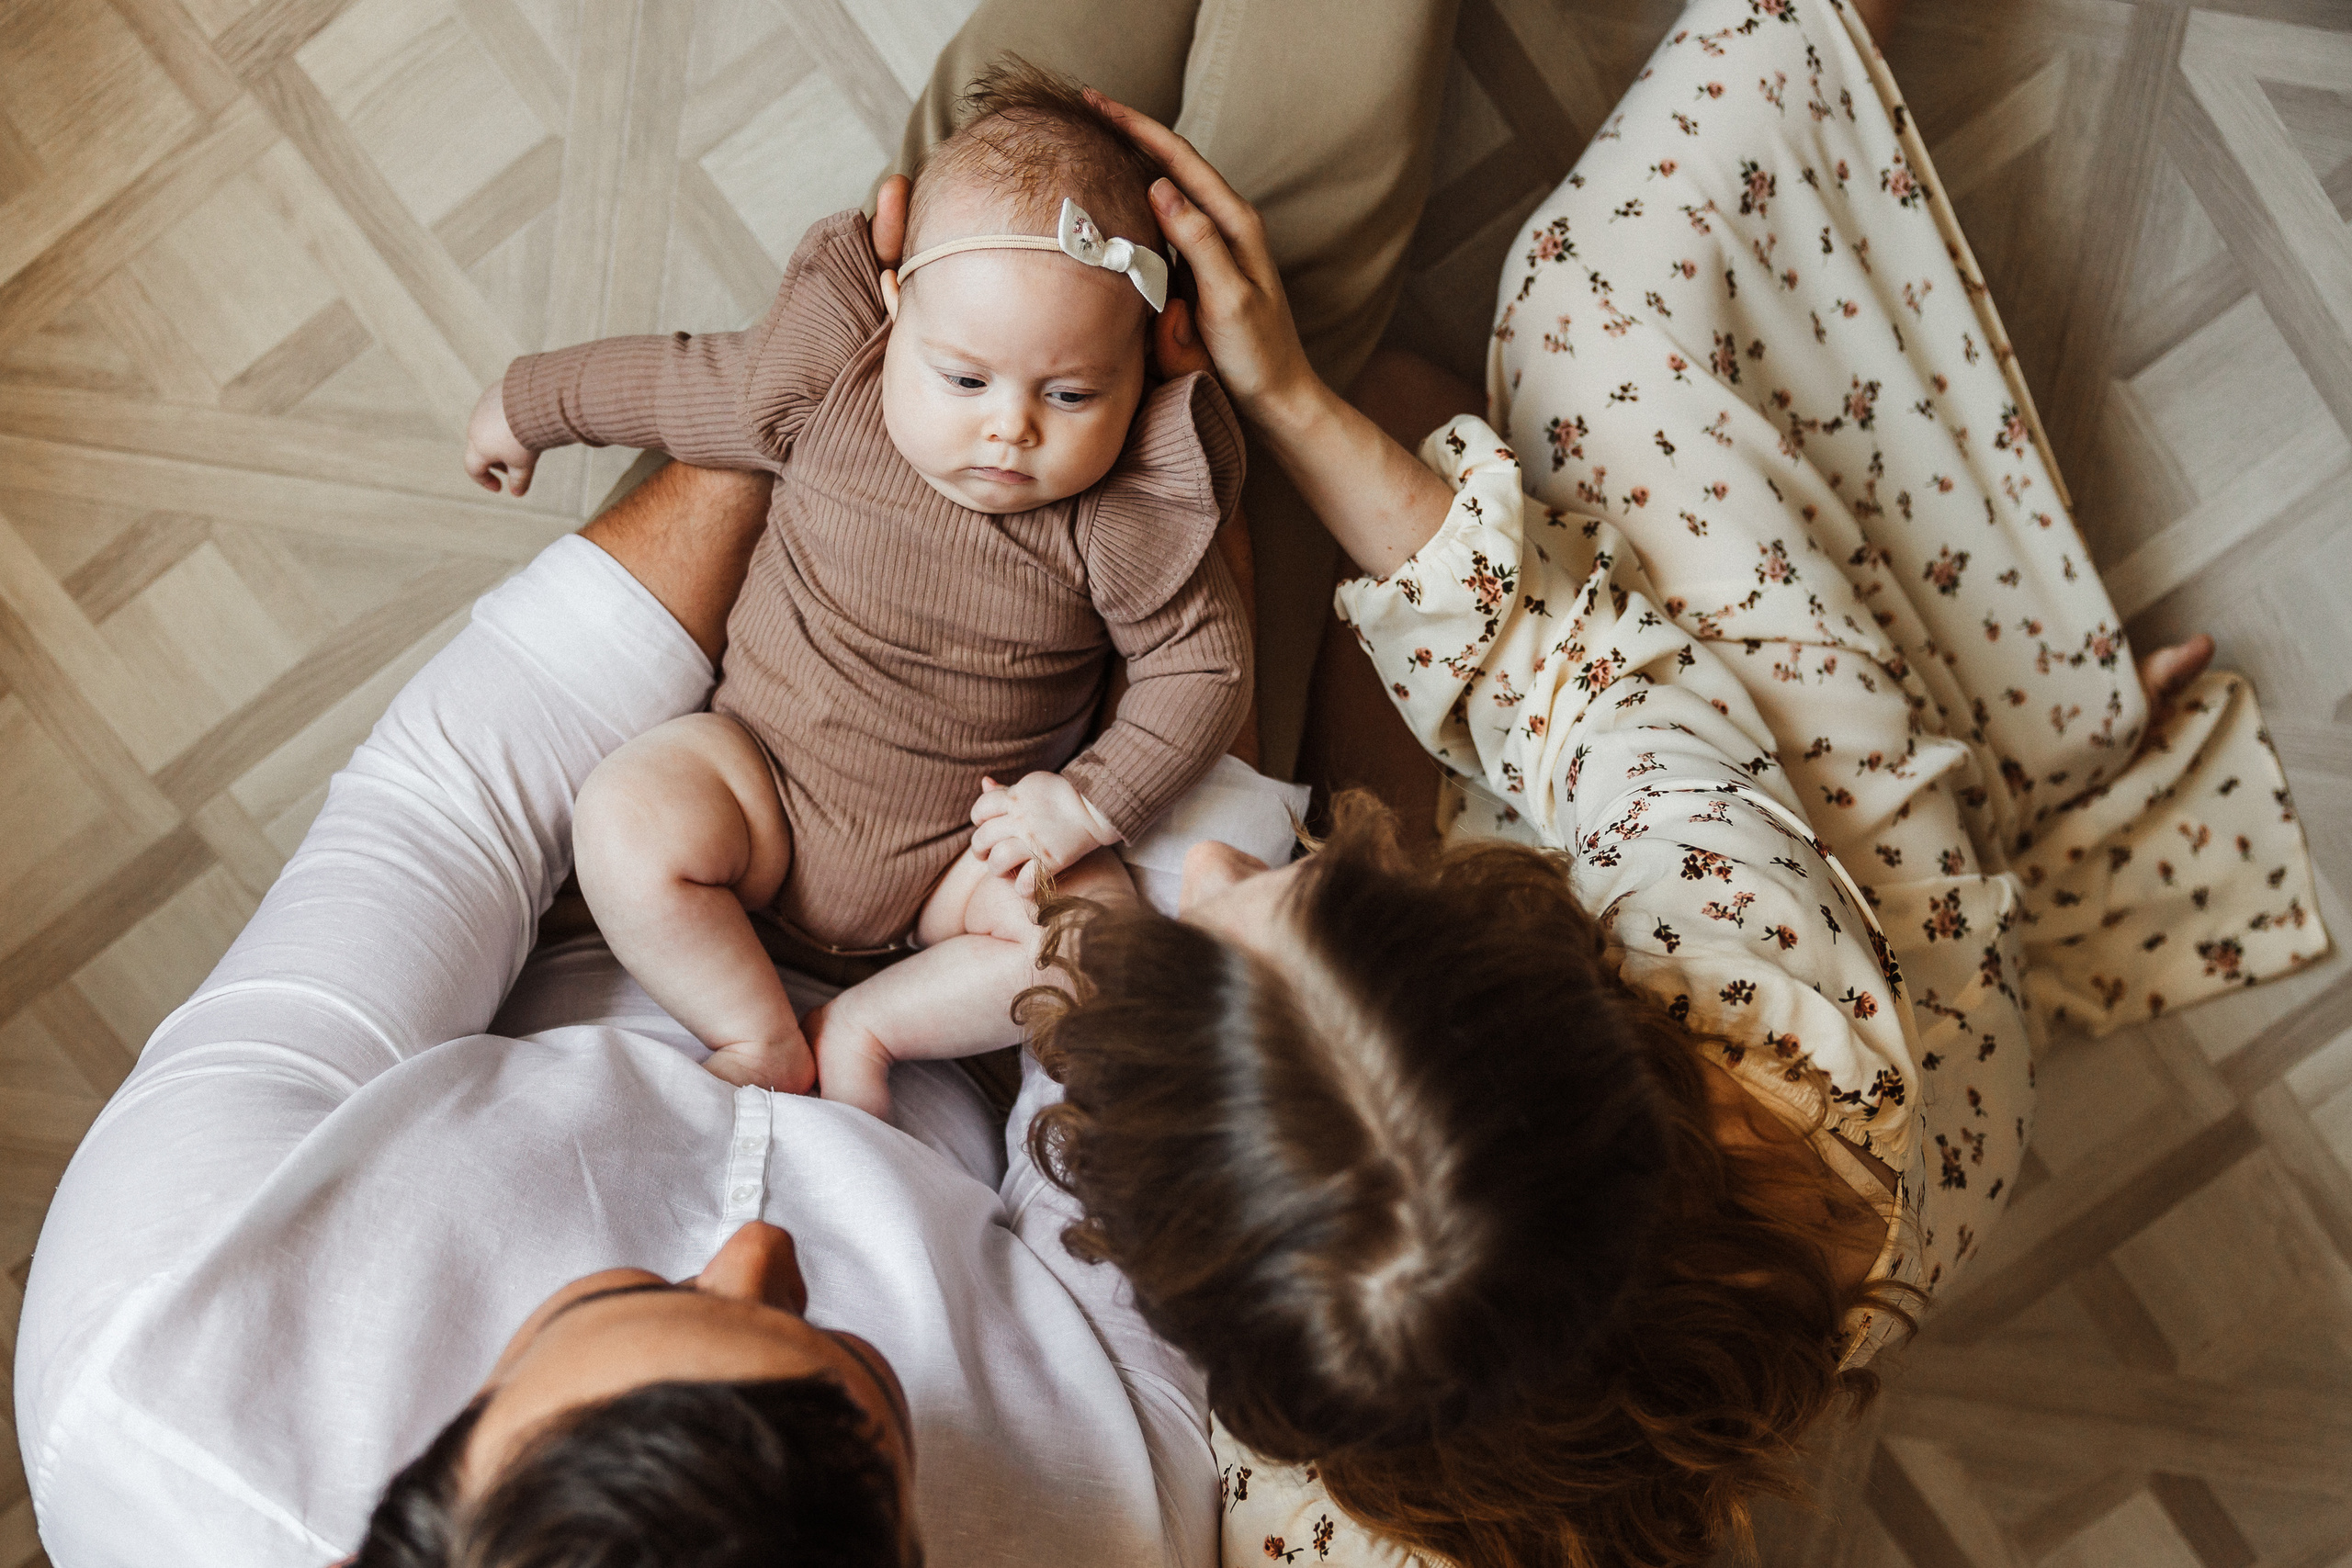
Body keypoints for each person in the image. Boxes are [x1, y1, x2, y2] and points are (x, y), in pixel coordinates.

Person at [883, 0, 2333, 1562]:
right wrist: (1290, 395)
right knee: (1572, 316)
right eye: (1317, 878)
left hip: (1812, 1196)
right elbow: (1551, 661)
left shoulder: (1294, 1517)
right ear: (1549, 949)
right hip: (1868, 954)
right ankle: (1982, 708)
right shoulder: (1750, 988)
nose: (1227, 867)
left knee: (1395, 405)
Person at [10, 454, 1306, 1567]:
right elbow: (1149, 1062)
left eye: (608, 1300)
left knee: (993, 268)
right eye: (851, 1357)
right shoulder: (1103, 1528)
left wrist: (820, 385)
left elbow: (449, 805)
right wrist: (1178, 495)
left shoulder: (153, 1328)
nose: (759, 1255)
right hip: (1010, 994)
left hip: (659, 851)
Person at [461, 65, 1250, 1115]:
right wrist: (526, 405)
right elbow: (666, 379)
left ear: (1143, 370)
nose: (1009, 428)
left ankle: (869, 1025)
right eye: (963, 379)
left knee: (1101, 951)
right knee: (625, 816)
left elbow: (1204, 667)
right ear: (892, 312)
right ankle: (755, 1030)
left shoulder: (1117, 513)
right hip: (759, 786)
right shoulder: (828, 390)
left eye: (1070, 394)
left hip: (958, 861)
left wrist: (1089, 802)